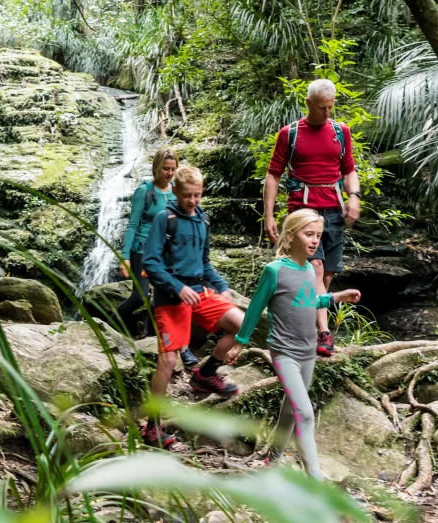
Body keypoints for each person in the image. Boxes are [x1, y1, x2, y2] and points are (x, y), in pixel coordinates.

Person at [227, 209, 361, 479]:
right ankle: (317, 482)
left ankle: (273, 458)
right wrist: (239, 342)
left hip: (307, 352)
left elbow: (309, 302)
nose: (314, 241)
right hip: (283, 352)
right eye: (308, 234)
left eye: (318, 236)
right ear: (290, 236)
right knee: (306, 414)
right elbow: (254, 308)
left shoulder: (311, 271)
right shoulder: (274, 270)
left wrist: (338, 296)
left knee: (290, 410)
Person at [140, 166, 244, 448]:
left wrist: (223, 287)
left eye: (198, 195)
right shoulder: (166, 218)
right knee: (169, 361)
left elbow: (205, 262)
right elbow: (150, 263)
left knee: (241, 324)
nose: (193, 200)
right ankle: (152, 428)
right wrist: (177, 287)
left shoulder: (203, 221)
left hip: (200, 291)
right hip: (171, 297)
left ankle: (205, 375)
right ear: (175, 191)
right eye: (188, 195)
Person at [262, 79, 361, 357]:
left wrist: (354, 196)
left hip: (334, 210)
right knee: (314, 268)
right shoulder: (290, 133)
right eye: (321, 108)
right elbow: (273, 174)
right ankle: (325, 334)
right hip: (303, 211)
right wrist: (268, 215)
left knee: (326, 274)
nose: (327, 113)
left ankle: (312, 325)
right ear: (308, 103)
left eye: (330, 107)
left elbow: (349, 170)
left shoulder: (341, 132)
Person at [116, 148, 200, 367]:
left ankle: (170, 343)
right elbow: (133, 224)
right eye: (165, 169)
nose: (169, 173)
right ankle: (110, 325)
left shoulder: (176, 192)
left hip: (166, 255)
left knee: (170, 298)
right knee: (140, 296)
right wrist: (125, 256)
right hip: (143, 254)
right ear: (156, 167)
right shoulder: (144, 191)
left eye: (173, 169)